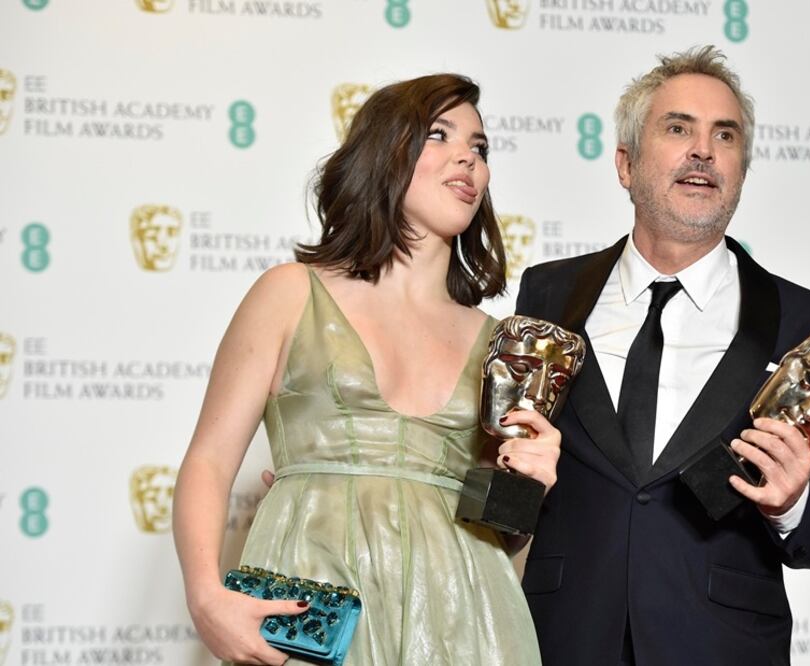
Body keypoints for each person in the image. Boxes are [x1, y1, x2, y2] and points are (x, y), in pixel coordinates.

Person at [173, 73, 558, 666]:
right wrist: (205, 598)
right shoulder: (289, 293)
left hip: (464, 614)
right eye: (438, 134)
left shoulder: (497, 344)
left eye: (479, 148)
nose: (468, 157)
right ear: (383, 153)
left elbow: (501, 540)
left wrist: (528, 487)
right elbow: (208, 460)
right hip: (314, 605)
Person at [515, 46, 810, 665]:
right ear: (625, 163)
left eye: (725, 135)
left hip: (721, 647)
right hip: (562, 640)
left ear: (742, 171)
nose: (703, 150)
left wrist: (791, 503)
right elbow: (507, 478)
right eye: (678, 129)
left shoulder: (806, 322)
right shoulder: (547, 293)